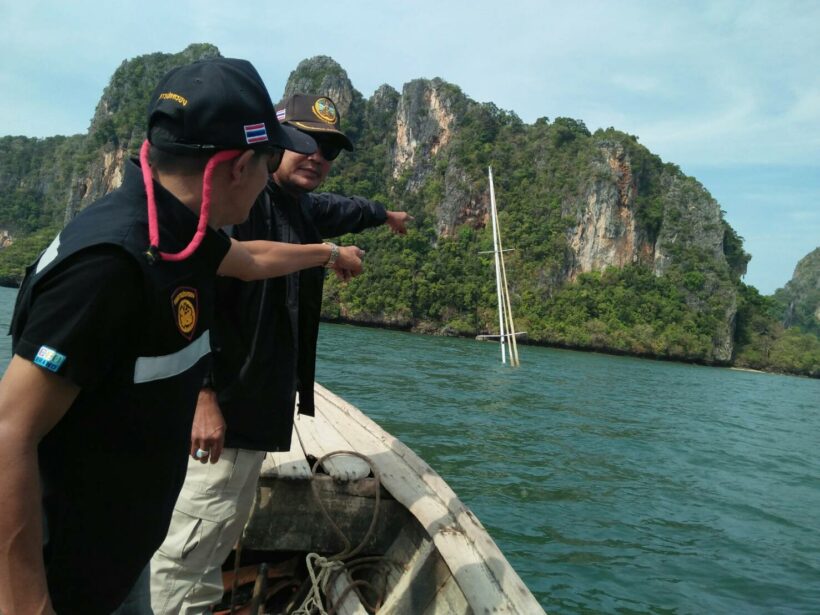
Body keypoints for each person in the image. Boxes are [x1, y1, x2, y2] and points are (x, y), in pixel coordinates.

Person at [0, 60, 365, 615]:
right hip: (67, 577)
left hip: (121, 556)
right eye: (270, 161)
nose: (272, 179)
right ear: (240, 165)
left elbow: (248, 259)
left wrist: (328, 253)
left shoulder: (178, 233)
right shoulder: (112, 264)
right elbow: (8, 433)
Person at [149, 94, 412, 614]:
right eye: (306, 142)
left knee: (214, 540)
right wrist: (202, 395)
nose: (317, 155)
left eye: (330, 149)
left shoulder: (301, 209)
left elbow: (347, 208)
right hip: (218, 419)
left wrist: (388, 215)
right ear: (275, 142)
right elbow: (186, 296)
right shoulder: (237, 207)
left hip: (255, 417)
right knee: (185, 556)